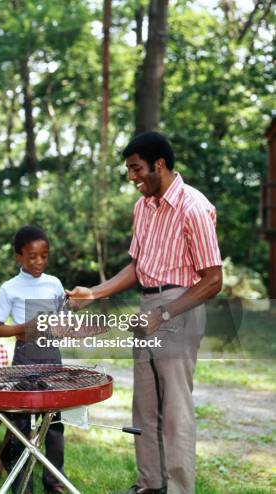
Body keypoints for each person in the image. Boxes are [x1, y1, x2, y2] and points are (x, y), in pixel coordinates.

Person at [67, 132, 222, 494]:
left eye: (136, 169)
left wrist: (164, 314)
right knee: (145, 407)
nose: (132, 177)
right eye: (129, 170)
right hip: (147, 307)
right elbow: (137, 266)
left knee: (176, 410)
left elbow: (213, 281)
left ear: (160, 165)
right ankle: (150, 485)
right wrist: (94, 292)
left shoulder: (193, 207)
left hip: (180, 307)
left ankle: (180, 489)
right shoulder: (144, 207)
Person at [0, 225, 66, 494]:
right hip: (24, 358)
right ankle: (23, 486)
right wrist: (24, 328)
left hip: (51, 357)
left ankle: (54, 481)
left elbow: (61, 318)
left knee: (55, 423)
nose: (39, 262)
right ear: (19, 257)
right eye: (32, 256)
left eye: (44, 256)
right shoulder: (9, 288)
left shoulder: (55, 283)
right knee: (22, 425)